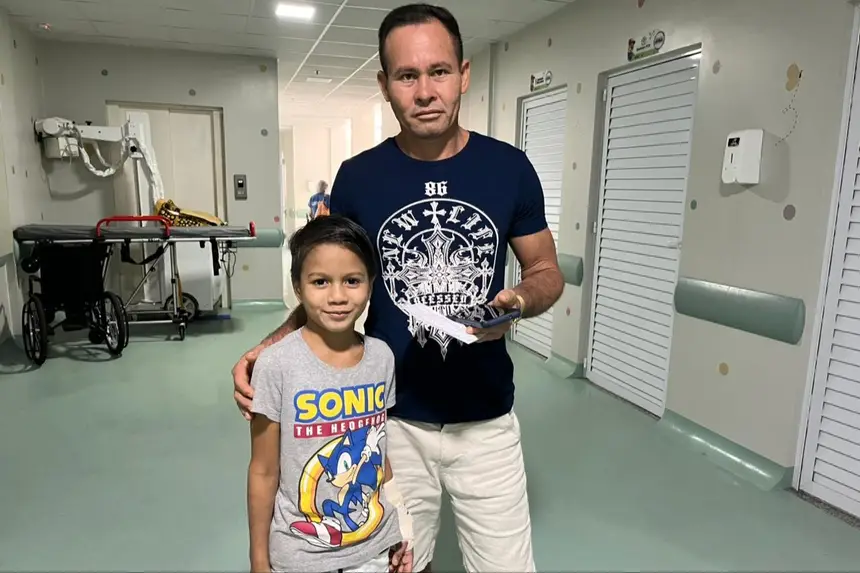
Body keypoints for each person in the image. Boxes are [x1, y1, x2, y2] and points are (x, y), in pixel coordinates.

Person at [235, 3, 564, 572]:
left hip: (486, 420)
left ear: (464, 74)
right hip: (391, 421)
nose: (425, 91)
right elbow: (332, 282)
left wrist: (514, 302)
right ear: (385, 84)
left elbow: (546, 271)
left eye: (439, 72)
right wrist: (271, 344)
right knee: (402, 563)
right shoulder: (358, 178)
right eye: (407, 76)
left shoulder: (509, 168)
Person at [246, 214, 414, 573]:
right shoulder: (275, 365)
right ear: (298, 287)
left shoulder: (381, 358)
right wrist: (258, 560)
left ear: (371, 284)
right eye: (320, 282)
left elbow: (379, 453)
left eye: (352, 281)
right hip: (300, 557)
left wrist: (402, 526)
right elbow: (263, 471)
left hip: (373, 550)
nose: (337, 297)